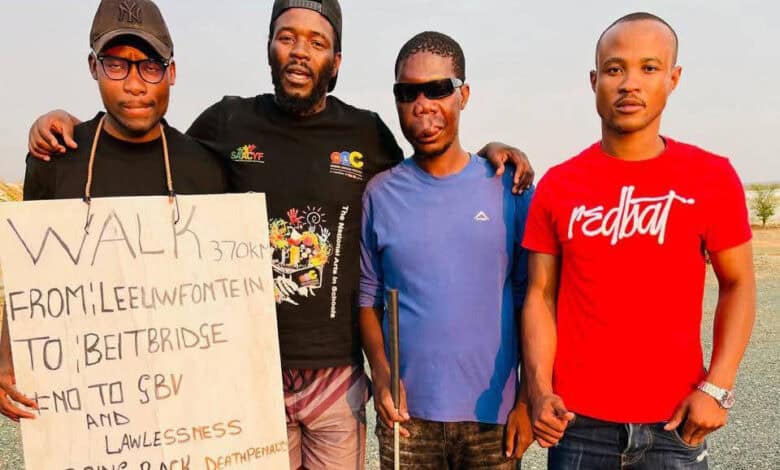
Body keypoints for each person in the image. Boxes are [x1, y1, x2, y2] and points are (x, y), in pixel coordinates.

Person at [22, 2, 534, 468]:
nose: (300, 52)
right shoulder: (226, 122)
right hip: (251, 372)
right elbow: (149, 143)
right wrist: (70, 124)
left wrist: (491, 152)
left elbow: (428, 182)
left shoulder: (367, 134)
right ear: (269, 46)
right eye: (288, 37)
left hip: (336, 376)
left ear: (336, 61)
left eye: (317, 41)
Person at [521, 12, 755, 470]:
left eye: (649, 68)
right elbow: (540, 295)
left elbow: (740, 284)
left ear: (674, 77)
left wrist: (716, 386)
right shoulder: (560, 185)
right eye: (614, 69)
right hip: (578, 422)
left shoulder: (711, 177)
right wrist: (539, 389)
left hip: (675, 422)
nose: (630, 83)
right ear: (594, 81)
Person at [0, 0, 226, 422]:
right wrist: (7, 356)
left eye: (150, 66)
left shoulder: (205, 168)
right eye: (117, 65)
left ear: (172, 73)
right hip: (88, 407)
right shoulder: (56, 159)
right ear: (94, 67)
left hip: (181, 401)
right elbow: (28, 279)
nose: (135, 84)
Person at [359, 32, 534, 469]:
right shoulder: (380, 194)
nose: (423, 104)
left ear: (463, 95)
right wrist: (381, 374)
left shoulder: (507, 186)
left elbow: (533, 299)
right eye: (408, 92)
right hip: (407, 419)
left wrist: (527, 401)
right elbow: (367, 299)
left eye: (438, 89)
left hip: (493, 417)